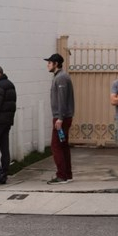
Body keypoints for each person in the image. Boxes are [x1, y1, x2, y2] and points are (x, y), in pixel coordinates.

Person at [45, 53, 75, 185]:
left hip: (61, 118)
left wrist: (60, 118)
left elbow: (62, 99)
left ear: (56, 64)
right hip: (62, 117)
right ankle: (67, 173)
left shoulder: (61, 78)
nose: (48, 65)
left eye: (50, 63)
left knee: (56, 146)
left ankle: (61, 175)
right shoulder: (59, 77)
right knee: (63, 145)